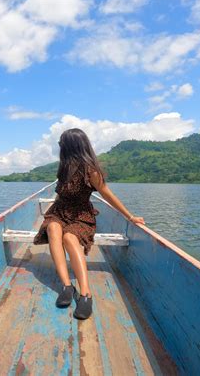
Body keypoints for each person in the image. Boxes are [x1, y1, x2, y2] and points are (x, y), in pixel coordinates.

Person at [33, 128, 145, 320]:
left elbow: (107, 194)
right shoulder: (64, 167)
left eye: (62, 143)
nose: (59, 146)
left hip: (81, 214)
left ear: (71, 146)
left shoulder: (91, 170)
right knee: (52, 228)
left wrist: (130, 216)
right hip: (59, 211)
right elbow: (61, 193)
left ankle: (85, 293)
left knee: (69, 237)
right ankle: (67, 286)